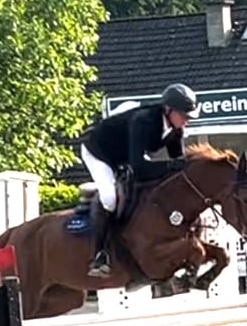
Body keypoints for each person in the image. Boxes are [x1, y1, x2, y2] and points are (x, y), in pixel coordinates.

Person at [80, 83, 201, 277]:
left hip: (123, 156)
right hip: (99, 152)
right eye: (184, 115)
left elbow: (179, 166)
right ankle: (100, 255)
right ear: (168, 110)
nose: (187, 120)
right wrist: (171, 167)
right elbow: (139, 168)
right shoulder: (144, 121)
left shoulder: (175, 130)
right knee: (110, 198)